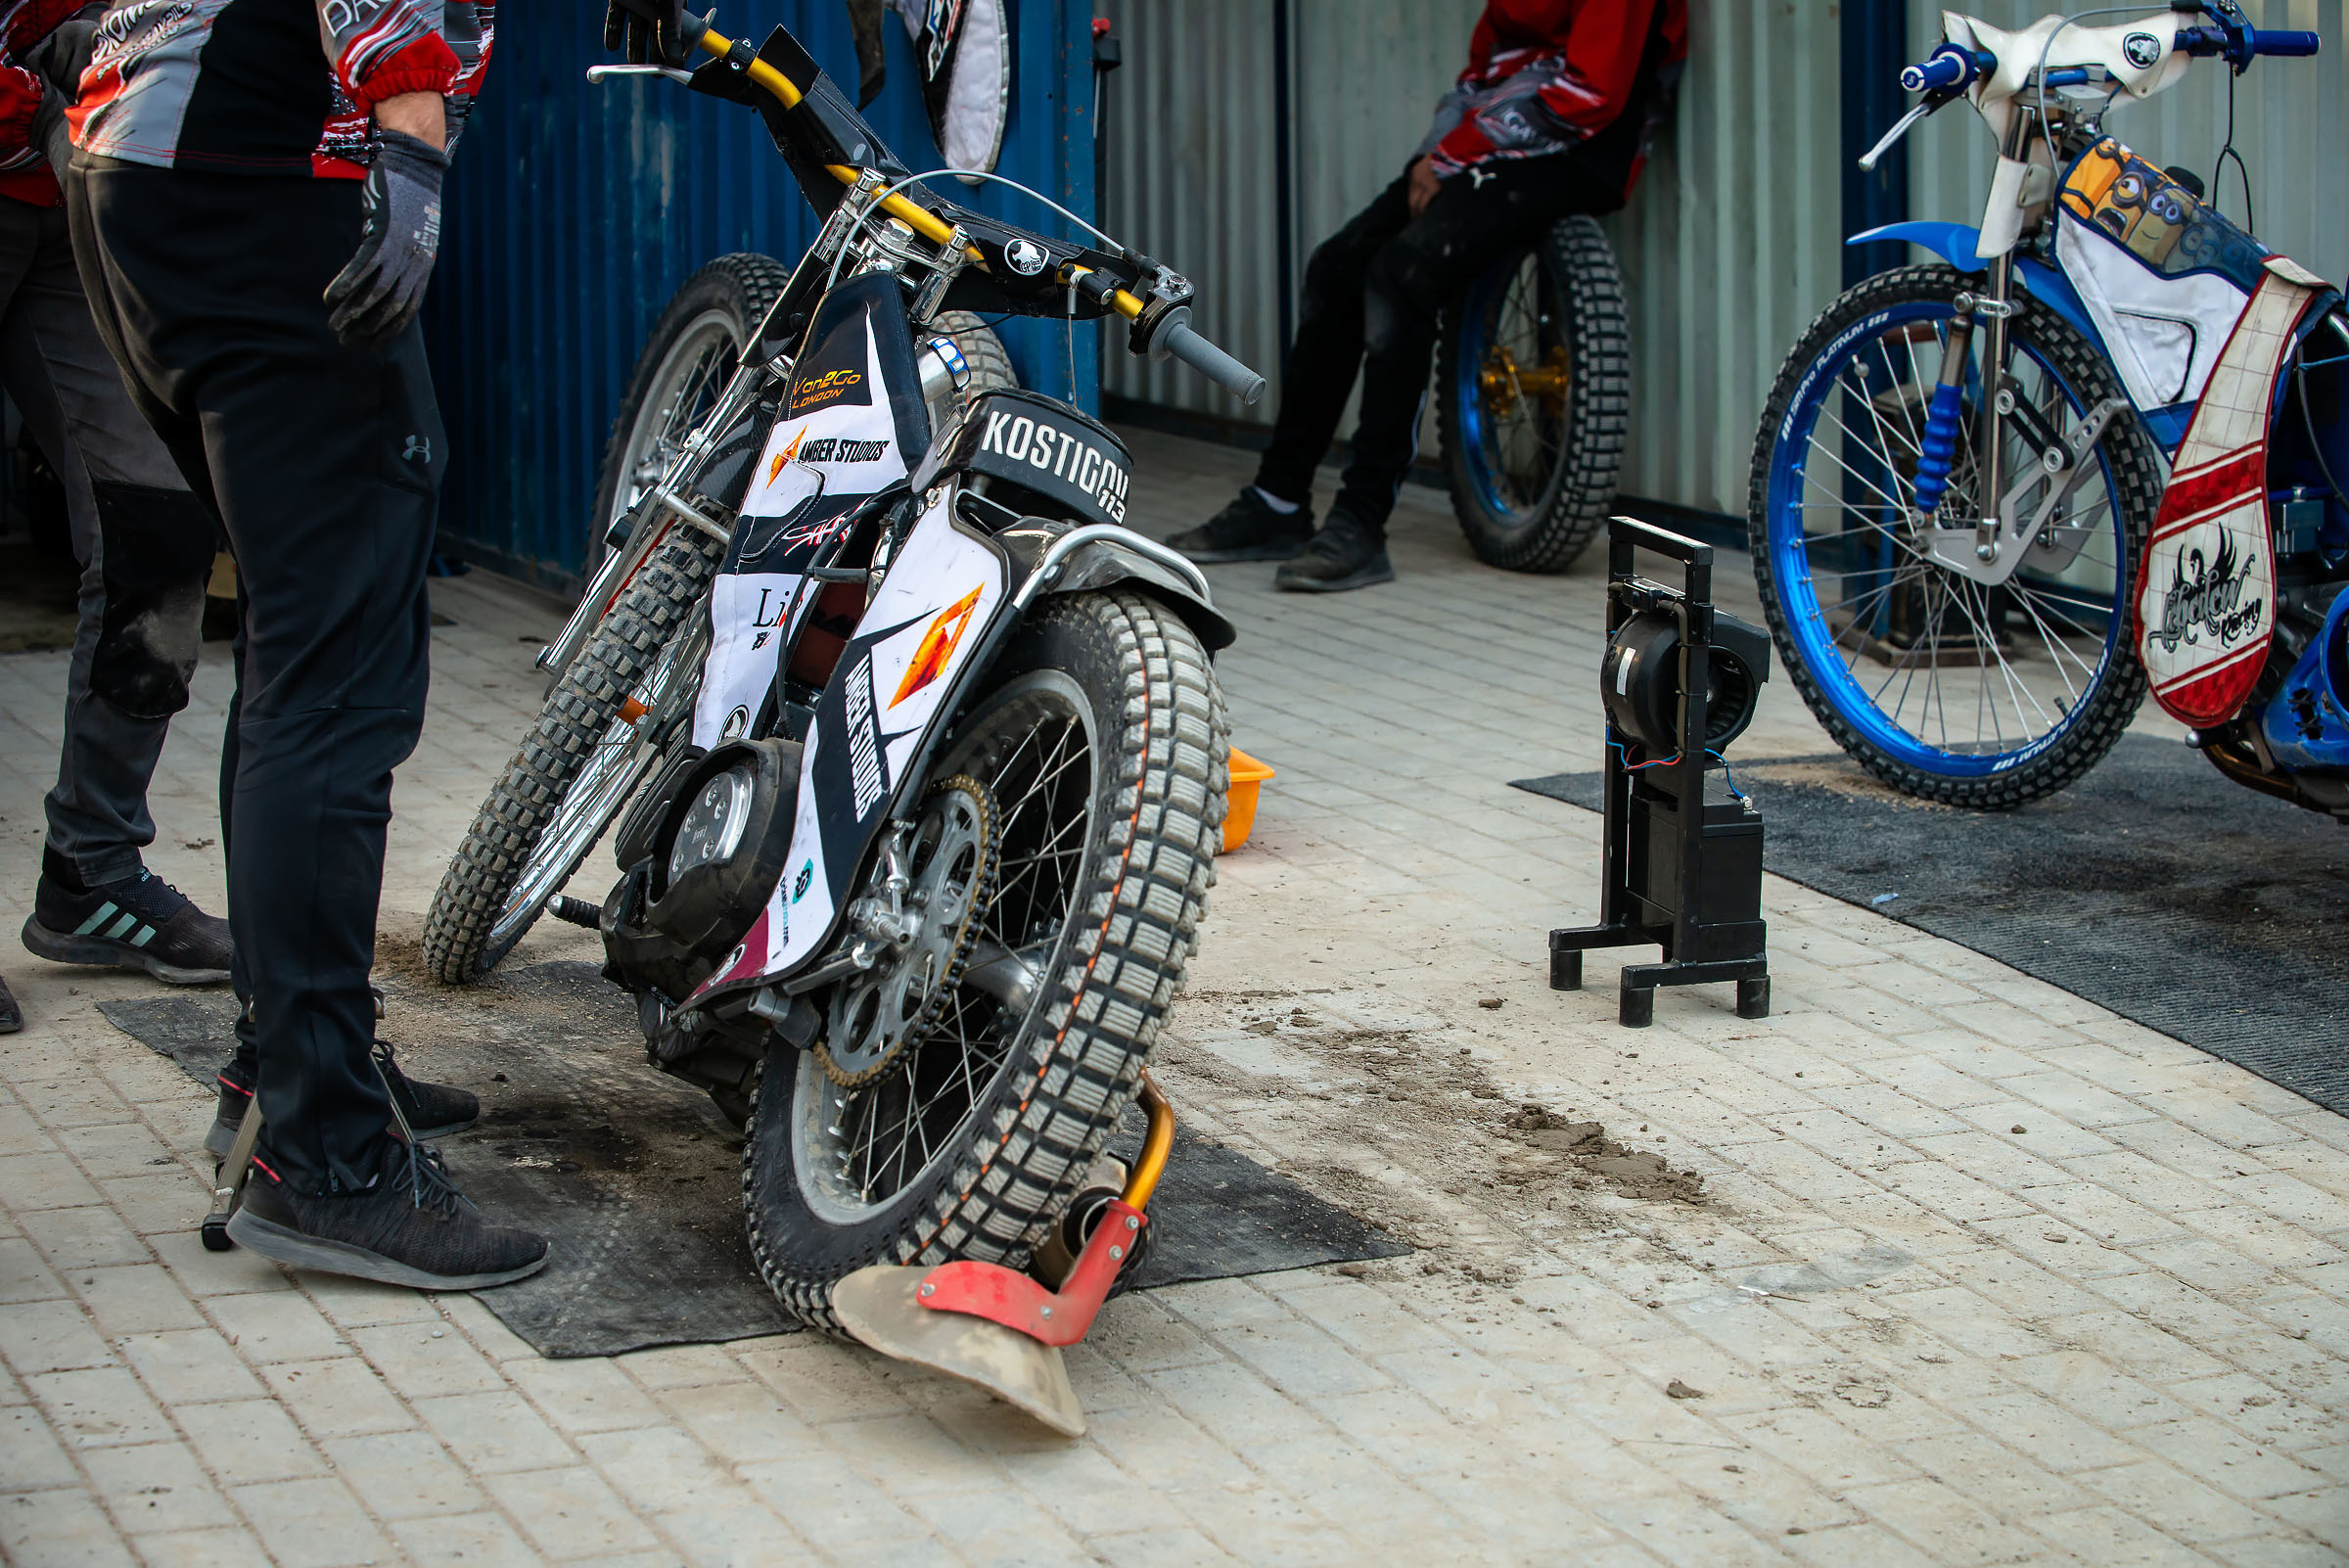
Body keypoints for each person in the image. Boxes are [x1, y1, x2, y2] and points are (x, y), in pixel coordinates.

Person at [62, 0, 544, 1288]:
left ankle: (288, 1070)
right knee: (337, 680)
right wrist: (412, 129)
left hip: (143, 172)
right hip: (269, 178)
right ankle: (326, 1157)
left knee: (297, 643)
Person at [1169, 0, 1687, 592]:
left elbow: (1592, 94)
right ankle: (1278, 502)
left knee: (1402, 274)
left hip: (1583, 149)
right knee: (1337, 267)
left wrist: (1455, 153)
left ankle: (1361, 523)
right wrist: (1437, 151)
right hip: (1492, 146)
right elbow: (1482, 75)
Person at [0, 1, 232, 987]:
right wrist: (39, 104)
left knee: (160, 529)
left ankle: (88, 869)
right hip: (42, 144)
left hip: (64, 200)